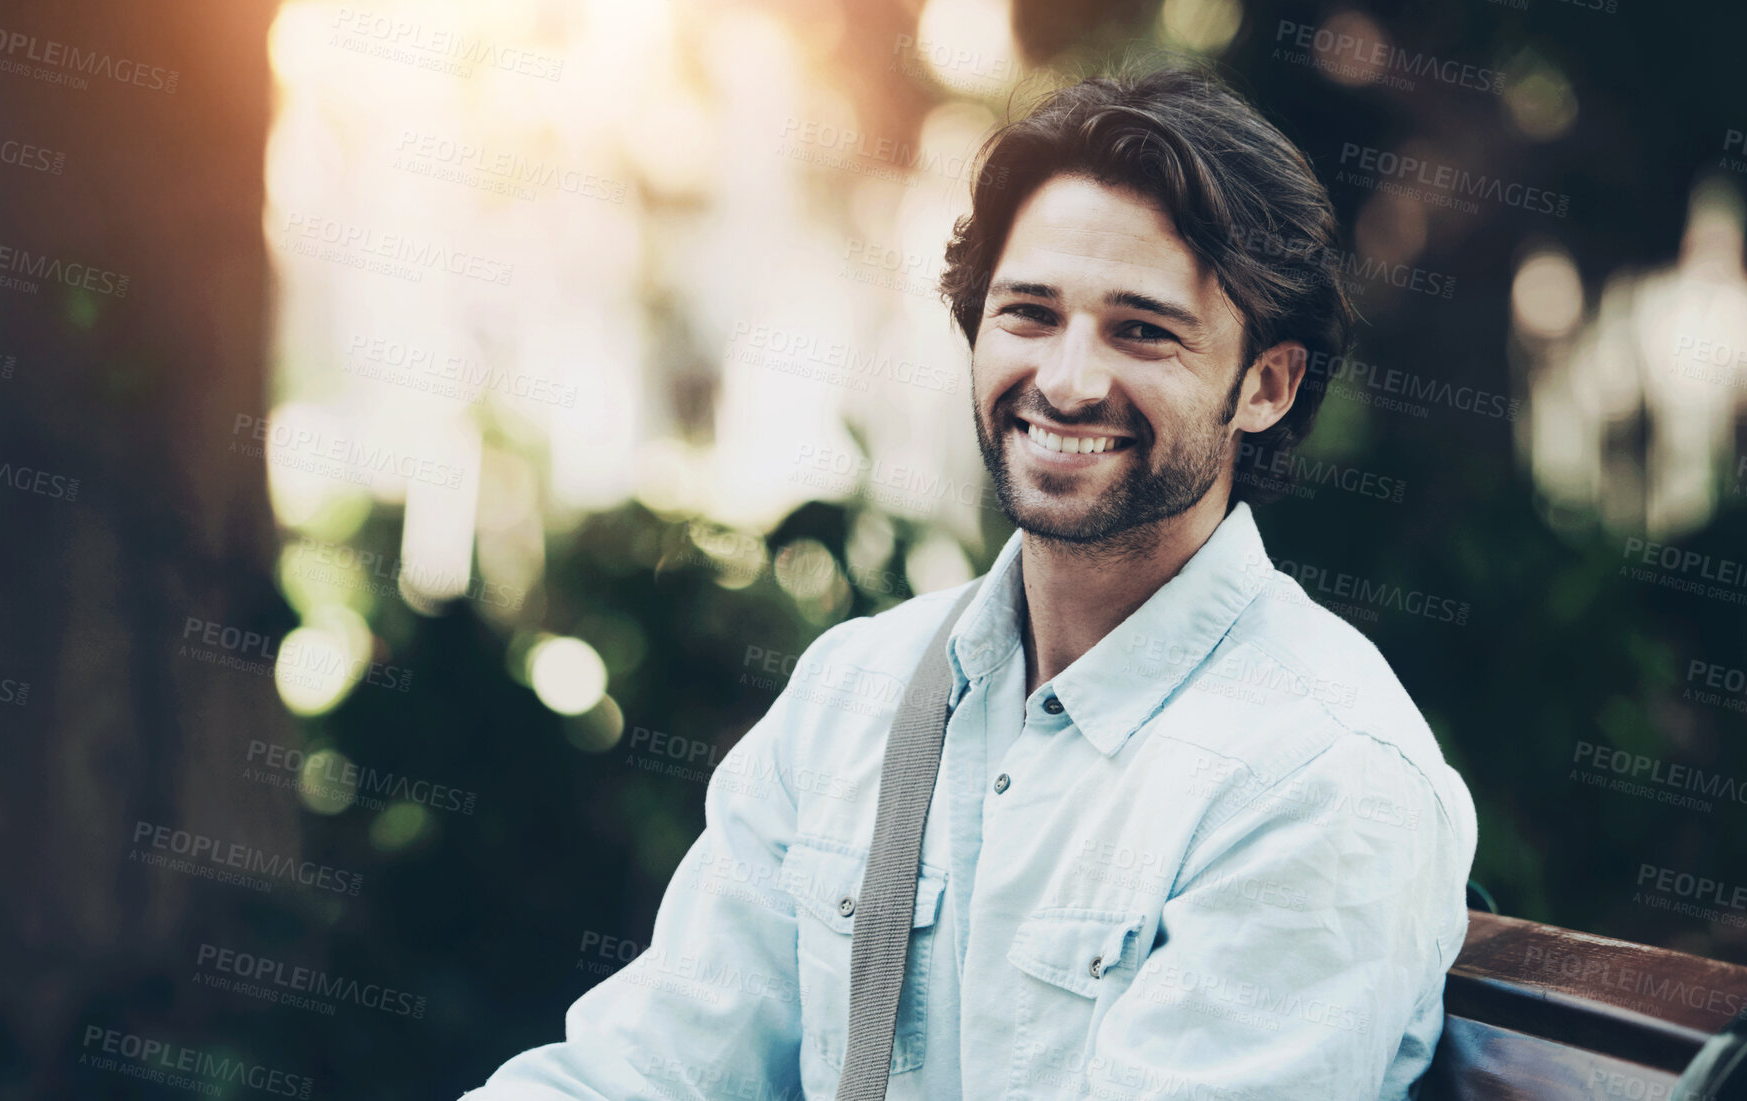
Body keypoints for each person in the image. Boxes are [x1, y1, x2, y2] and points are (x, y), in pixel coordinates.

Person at [464, 62, 1478, 1101]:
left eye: (1142, 330)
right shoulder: (854, 691)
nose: (1067, 380)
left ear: (1264, 383)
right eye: (1029, 313)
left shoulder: (1321, 778)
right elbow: (646, 1069)